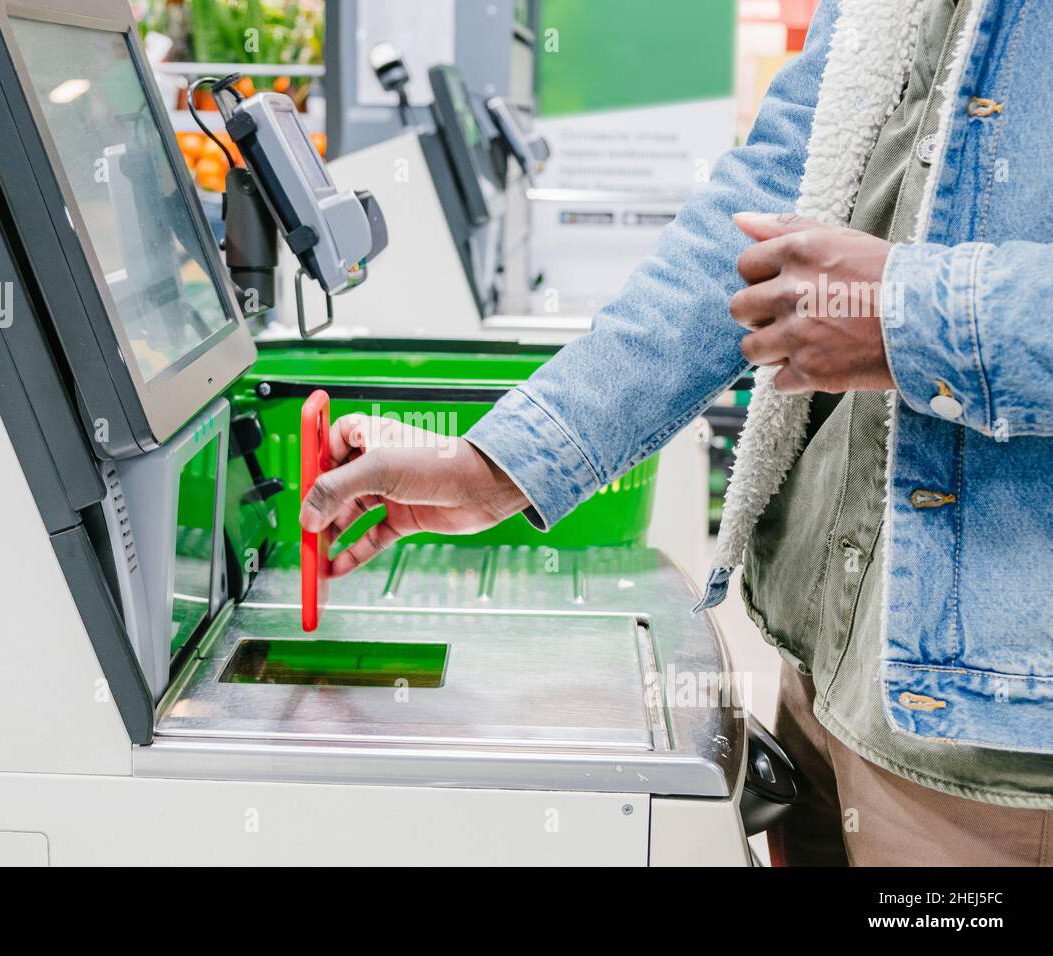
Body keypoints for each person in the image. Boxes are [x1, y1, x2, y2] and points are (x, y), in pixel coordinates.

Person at [299, 0, 1053, 866]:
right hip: (832, 655)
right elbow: (769, 195)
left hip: (996, 724)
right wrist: (499, 463)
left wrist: (910, 313)